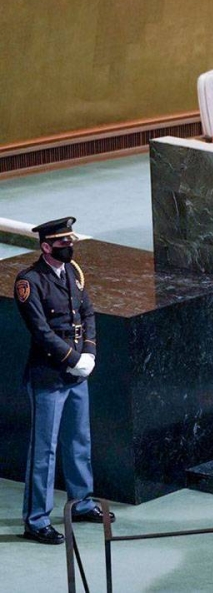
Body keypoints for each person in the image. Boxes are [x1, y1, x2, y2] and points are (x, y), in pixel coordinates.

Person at [14, 217, 114, 545]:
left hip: (76, 376)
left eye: (70, 242)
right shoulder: (29, 281)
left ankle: (81, 502)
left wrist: (89, 354)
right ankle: (36, 518)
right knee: (44, 450)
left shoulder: (72, 272)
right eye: (62, 244)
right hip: (49, 376)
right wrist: (73, 360)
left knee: (79, 441)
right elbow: (41, 331)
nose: (69, 247)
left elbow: (87, 314)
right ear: (46, 247)